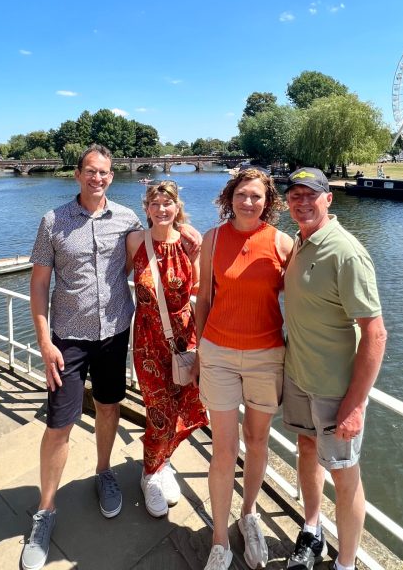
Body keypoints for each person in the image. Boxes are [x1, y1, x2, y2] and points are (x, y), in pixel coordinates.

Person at [21, 144, 200, 570]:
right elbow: (39, 286)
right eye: (90, 171)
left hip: (116, 334)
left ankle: (104, 473)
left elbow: (163, 240)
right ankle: (45, 512)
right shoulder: (54, 222)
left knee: (108, 408)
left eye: (104, 172)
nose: (97, 178)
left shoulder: (127, 221)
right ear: (78, 174)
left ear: (111, 177)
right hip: (68, 339)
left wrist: (193, 235)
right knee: (58, 425)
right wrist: (44, 342)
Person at [281, 168, 387, 570]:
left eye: (312, 195)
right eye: (296, 196)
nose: (303, 202)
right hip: (299, 375)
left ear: (329, 199)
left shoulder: (345, 252)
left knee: (344, 474)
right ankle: (312, 529)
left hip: (335, 389)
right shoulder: (300, 241)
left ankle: (346, 564)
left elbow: (375, 334)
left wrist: (356, 404)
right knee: (305, 448)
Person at [193, 168, 294, 570]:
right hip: (217, 353)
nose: (248, 202)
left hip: (266, 356)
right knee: (223, 449)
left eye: (256, 196)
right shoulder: (212, 239)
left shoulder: (283, 243)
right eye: (241, 195)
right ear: (229, 197)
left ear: (268, 202)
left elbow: (304, 299)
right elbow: (202, 300)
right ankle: (220, 539)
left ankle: (249, 513)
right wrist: (201, 350)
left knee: (256, 440)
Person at [125, 180, 208, 518]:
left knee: (188, 407)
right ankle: (149, 475)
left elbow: (200, 291)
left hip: (184, 337)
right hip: (147, 340)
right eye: (155, 204)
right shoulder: (134, 241)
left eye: (168, 204)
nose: (162, 210)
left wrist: (203, 344)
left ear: (177, 208)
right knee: (159, 412)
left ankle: (162, 464)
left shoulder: (190, 242)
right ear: (146, 208)